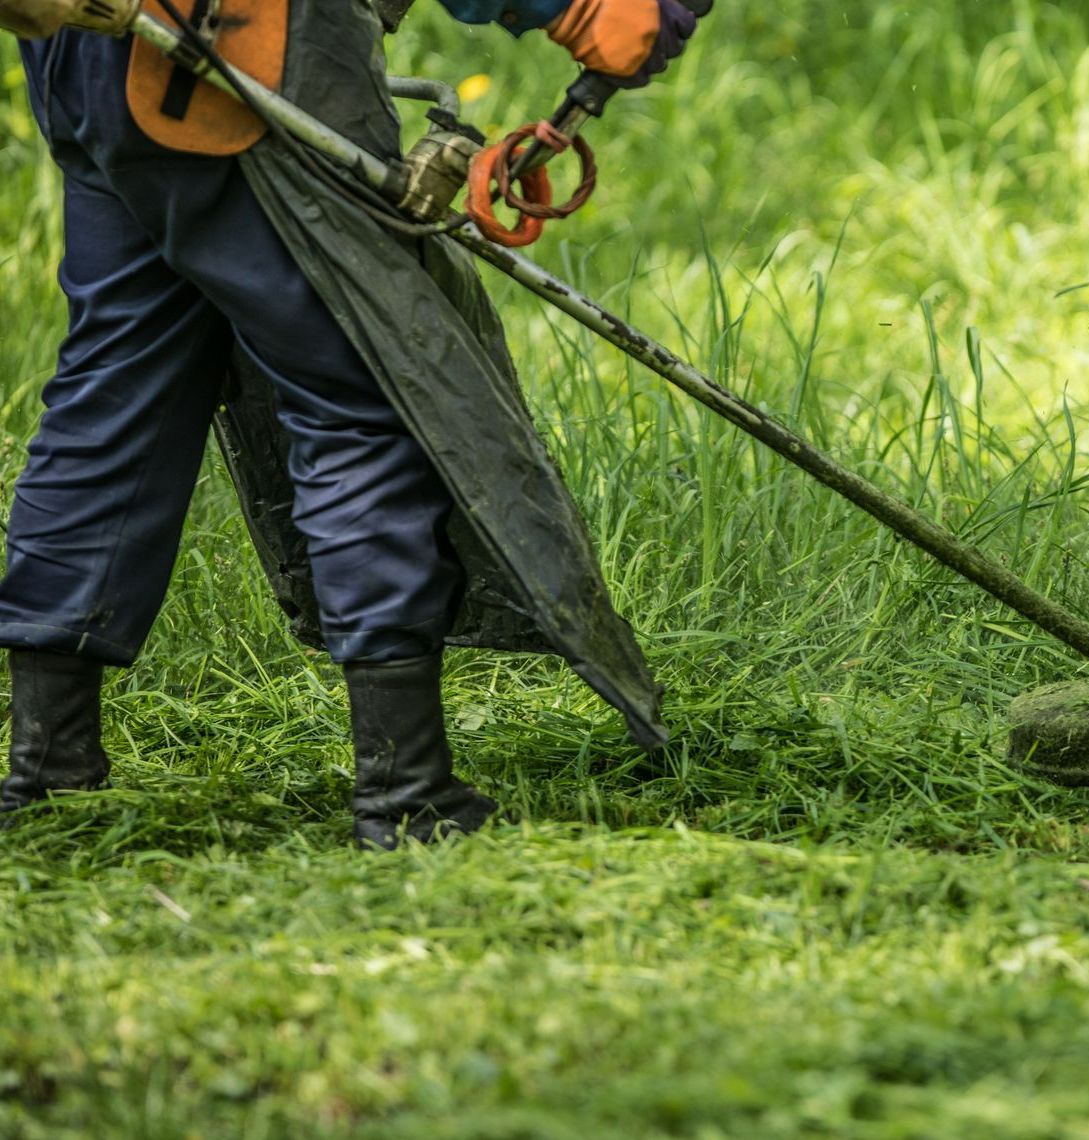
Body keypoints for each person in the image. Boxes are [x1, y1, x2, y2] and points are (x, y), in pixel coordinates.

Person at [0, 0, 696, 846]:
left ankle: (48, 773)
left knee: (114, 392)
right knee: (366, 396)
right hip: (228, 45)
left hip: (94, 60)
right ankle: (405, 795)